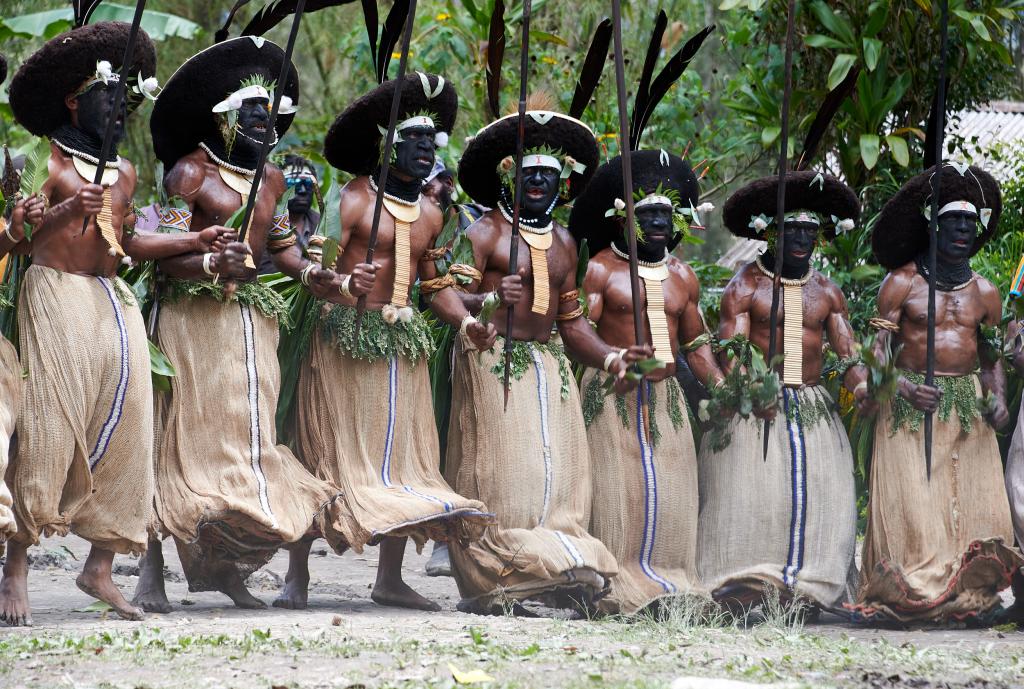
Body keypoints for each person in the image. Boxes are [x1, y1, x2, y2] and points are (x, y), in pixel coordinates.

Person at [0, 22, 230, 625]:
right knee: (50, 427)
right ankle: (16, 567)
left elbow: (126, 242)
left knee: (133, 429)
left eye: (128, 97)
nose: (121, 107)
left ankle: (99, 566)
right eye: (109, 96)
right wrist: (62, 212)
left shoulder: (125, 172)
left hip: (112, 298)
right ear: (76, 100)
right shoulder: (45, 163)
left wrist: (194, 236)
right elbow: (17, 243)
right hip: (56, 295)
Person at [133, 36, 356, 614]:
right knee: (179, 436)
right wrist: (209, 261)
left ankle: (226, 569)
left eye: (271, 113)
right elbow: (156, 251)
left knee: (244, 440)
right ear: (226, 117)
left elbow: (283, 249)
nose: (265, 122)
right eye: (253, 112)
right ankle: (150, 568)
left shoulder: (274, 179)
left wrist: (315, 277)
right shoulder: (188, 174)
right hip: (191, 319)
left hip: (252, 323)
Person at [284, 72, 491, 612]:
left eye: (432, 142)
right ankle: (296, 576)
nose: (426, 150)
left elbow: (435, 285)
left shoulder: (432, 212)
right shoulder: (351, 198)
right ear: (388, 144)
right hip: (341, 338)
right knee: (323, 451)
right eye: (414, 140)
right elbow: (316, 267)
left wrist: (465, 323)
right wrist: (341, 283)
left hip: (403, 347)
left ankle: (390, 578)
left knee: (403, 456)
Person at [429, 102, 626, 615]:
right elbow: (443, 293)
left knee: (554, 475)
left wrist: (610, 359)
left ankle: (552, 569)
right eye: (529, 173)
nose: (538, 182)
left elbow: (574, 322)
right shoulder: (485, 233)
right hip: (493, 360)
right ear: (510, 179)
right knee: (503, 476)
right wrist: (485, 305)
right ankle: (493, 579)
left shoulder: (564, 243)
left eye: (548, 176)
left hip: (550, 365)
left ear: (562, 184)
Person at [851, 163, 1023, 624]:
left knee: (969, 503)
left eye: (970, 223)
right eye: (953, 222)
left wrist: (998, 398)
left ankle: (966, 590)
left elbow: (990, 359)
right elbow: (875, 351)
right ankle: (915, 588)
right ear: (934, 225)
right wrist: (902, 387)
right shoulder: (902, 283)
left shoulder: (985, 293)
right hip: (910, 404)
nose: (962, 231)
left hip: (967, 405)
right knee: (914, 502)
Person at [696, 171, 865, 615]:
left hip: (811, 405)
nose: (801, 239)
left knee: (822, 496)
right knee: (754, 497)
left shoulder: (827, 291)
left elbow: (848, 355)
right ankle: (747, 585)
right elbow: (731, 350)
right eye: (791, 230)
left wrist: (864, 388)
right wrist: (750, 388)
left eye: (809, 231)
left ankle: (807, 589)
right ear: (770, 232)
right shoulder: (746, 285)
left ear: (820, 237)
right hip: (756, 403)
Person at [567, 150, 722, 615]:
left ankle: (668, 580)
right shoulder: (599, 268)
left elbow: (695, 345)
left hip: (666, 397)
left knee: (669, 487)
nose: (657, 223)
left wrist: (723, 387)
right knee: (618, 490)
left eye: (665, 214)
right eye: (646, 214)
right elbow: (576, 329)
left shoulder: (683, 276)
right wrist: (613, 358)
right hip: (611, 392)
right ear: (622, 221)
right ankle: (609, 585)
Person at [257, 154, 320, 275]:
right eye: (293, 183)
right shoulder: (264, 222)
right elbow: (265, 270)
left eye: (308, 183)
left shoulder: (321, 223)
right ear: (279, 186)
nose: (302, 190)